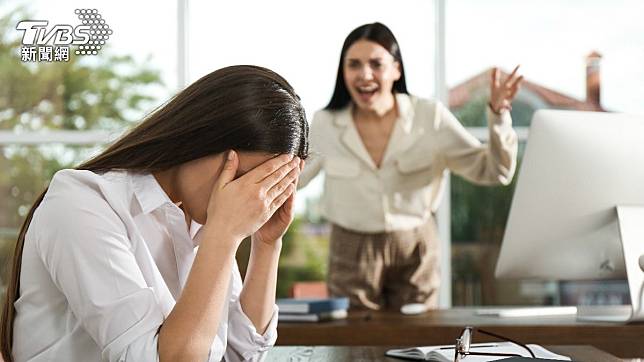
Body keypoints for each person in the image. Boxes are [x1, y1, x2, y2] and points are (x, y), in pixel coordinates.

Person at [0, 65, 308, 362]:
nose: (247, 198)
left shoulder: (201, 223)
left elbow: (238, 355)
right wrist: (223, 234)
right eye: (243, 179)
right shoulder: (81, 203)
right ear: (201, 137)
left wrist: (267, 245)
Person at [298, 22, 522, 311]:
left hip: (416, 247)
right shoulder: (325, 123)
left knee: (417, 342)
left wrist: (499, 115)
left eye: (376, 64)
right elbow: (295, 178)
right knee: (355, 344)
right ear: (344, 72)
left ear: (396, 70)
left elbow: (494, 170)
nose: (365, 74)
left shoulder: (430, 117)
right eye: (354, 65)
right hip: (350, 250)